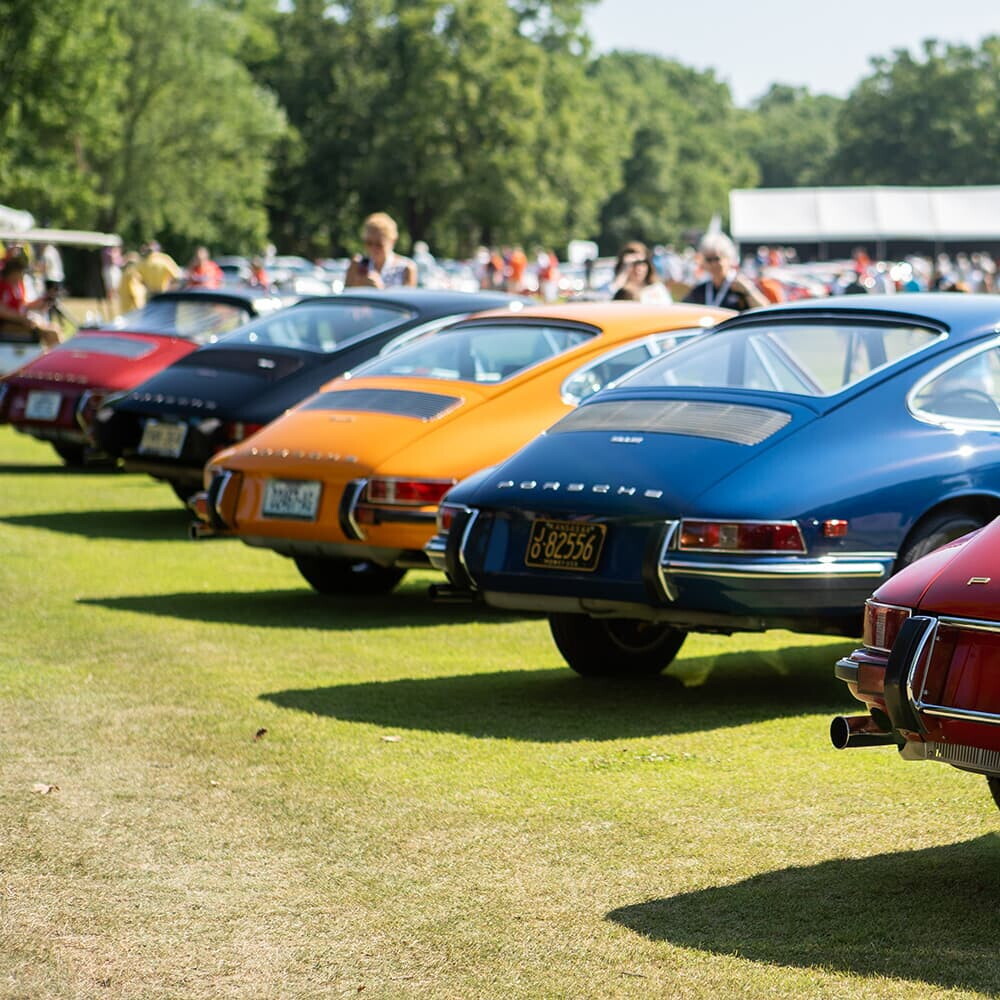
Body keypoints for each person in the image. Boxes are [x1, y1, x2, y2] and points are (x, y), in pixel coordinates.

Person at [683, 233, 768, 312]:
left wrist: (748, 291)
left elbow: (764, 311)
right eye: (709, 260)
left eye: (717, 259)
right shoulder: (701, 290)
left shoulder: (742, 285)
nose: (713, 264)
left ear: (728, 258)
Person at [0, 251, 62, 348]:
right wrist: (22, 318)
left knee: (54, 328)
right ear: (12, 272)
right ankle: (54, 357)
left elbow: (23, 305)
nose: (22, 275)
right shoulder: (2, 286)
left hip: (22, 322)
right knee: (51, 333)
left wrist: (42, 301)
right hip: (8, 324)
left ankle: (51, 355)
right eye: (20, 271)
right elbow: (2, 310)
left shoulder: (18, 286)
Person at [345, 213, 417, 288]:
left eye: (379, 244)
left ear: (393, 241)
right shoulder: (357, 264)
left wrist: (381, 289)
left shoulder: (407, 268)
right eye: (369, 243)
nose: (373, 248)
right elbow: (346, 293)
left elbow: (407, 295)